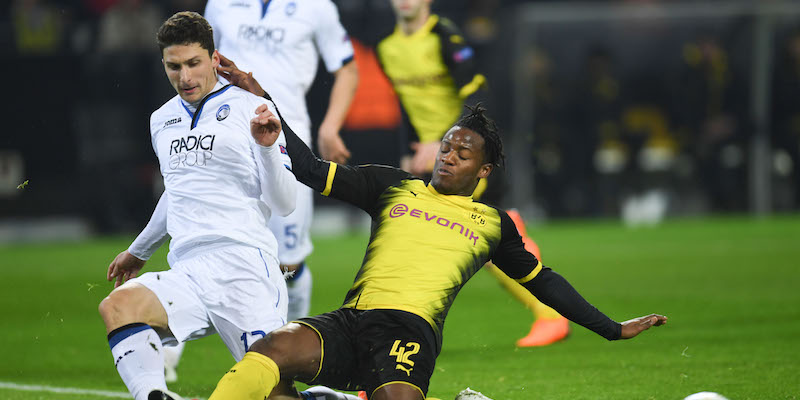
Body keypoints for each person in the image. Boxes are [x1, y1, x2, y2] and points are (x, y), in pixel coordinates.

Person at [205, 68, 668, 400]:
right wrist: (262, 97)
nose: (448, 157)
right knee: (269, 355)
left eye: (462, 155)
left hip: (409, 333)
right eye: (445, 147)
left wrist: (612, 329)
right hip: (351, 321)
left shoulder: (492, 224)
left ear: (483, 170)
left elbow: (543, 281)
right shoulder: (391, 185)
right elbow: (308, 168)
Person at [335, 0, 570, 347]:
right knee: (460, 238)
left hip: (464, 156)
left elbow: (478, 96)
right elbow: (405, 103)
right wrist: (411, 149)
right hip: (433, 159)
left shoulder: (444, 37)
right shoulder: (386, 47)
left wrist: (443, 142)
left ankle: (550, 315)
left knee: (471, 240)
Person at [97, 11, 298, 400]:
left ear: (214, 58)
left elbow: (285, 202)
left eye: (193, 63)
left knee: (276, 394)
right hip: (189, 270)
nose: (184, 77)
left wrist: (267, 148)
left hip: (245, 269)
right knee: (119, 307)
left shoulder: (253, 108)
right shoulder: (161, 120)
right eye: (174, 66)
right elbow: (177, 190)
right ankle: (153, 395)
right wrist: (139, 250)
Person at [160, 0, 360, 380]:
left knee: (288, 264)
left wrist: (331, 126)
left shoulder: (317, 7)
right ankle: (168, 351)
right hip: (225, 138)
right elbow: (200, 57)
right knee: (202, 244)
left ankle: (289, 349)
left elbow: (347, 68)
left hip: (284, 139)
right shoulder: (220, 4)